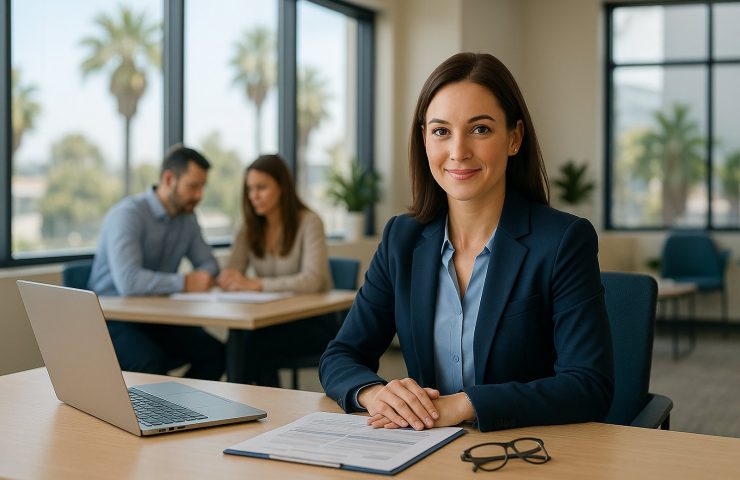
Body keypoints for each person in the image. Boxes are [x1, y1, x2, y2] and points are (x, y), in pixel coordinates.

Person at [319, 52, 614, 432]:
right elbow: (341, 355)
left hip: (524, 452)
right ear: (424, 140)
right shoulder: (401, 239)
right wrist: (374, 394)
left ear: (514, 137)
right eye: (441, 131)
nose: (458, 152)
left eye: (480, 129)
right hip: (424, 452)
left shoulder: (563, 241)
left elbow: (589, 385)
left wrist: (464, 405)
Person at [88, 144, 225, 381]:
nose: (199, 195)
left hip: (158, 317)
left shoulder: (187, 218)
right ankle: (165, 413)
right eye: (193, 186)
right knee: (150, 361)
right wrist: (184, 282)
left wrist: (202, 276)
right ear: (169, 179)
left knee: (216, 353)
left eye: (202, 187)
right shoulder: (129, 215)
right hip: (112, 320)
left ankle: (188, 411)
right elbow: (129, 282)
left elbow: (209, 264)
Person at [218, 154, 333, 386]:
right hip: (269, 320)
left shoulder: (309, 222)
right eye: (250, 189)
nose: (254, 196)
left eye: (261, 188)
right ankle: (252, 409)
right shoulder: (248, 226)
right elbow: (233, 271)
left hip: (314, 322)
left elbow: (312, 280)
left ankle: (254, 409)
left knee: (251, 344)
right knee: (242, 338)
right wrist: (230, 278)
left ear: (282, 187)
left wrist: (256, 284)